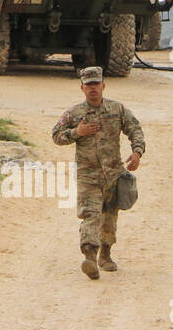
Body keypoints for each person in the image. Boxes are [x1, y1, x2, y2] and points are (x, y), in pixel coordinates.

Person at [51, 67, 146, 279]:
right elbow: (56, 135)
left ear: (103, 86)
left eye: (96, 84)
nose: (93, 88)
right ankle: (90, 258)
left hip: (113, 174)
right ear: (82, 88)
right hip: (88, 176)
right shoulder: (74, 114)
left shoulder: (117, 109)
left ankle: (106, 254)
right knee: (90, 216)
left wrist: (137, 152)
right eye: (89, 85)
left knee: (110, 218)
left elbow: (135, 129)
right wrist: (77, 132)